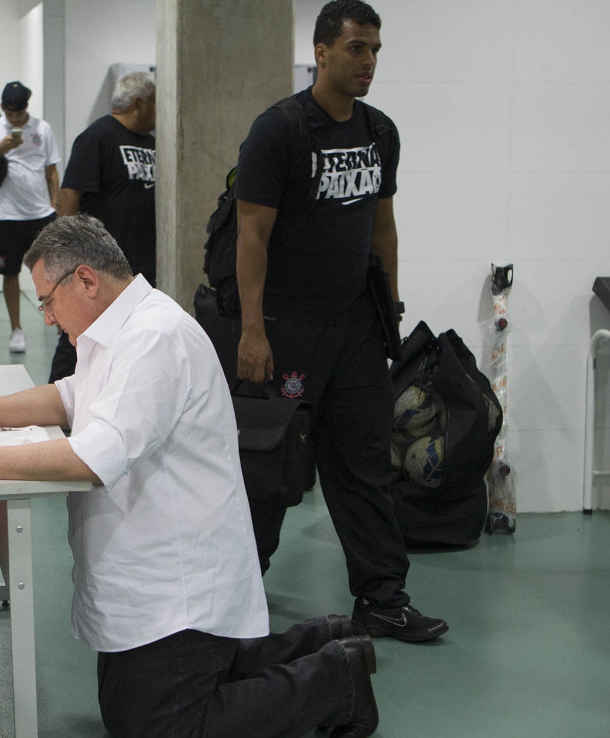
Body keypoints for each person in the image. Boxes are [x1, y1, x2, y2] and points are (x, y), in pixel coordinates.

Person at [0, 215, 381, 738]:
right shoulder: (115, 330)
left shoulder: (155, 337)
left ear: (86, 280)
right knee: (126, 716)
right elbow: (75, 396)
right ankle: (322, 638)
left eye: (48, 301)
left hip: (177, 582)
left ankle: (336, 680)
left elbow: (94, 457)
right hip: (152, 574)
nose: (46, 316)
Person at [233, 0, 446, 642]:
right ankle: (233, 597)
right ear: (322, 52)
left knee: (362, 466)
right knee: (272, 475)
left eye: (376, 49)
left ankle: (382, 598)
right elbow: (251, 234)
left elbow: (384, 228)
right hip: (288, 330)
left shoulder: (381, 132)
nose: (369, 62)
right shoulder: (279, 130)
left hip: (355, 329)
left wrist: (392, 313)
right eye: (357, 48)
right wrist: (252, 330)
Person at [48, 70, 157, 382]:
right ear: (138, 103)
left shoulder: (151, 142)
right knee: (80, 339)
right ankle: (55, 411)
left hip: (140, 268)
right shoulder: (98, 137)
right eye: (155, 103)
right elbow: (69, 195)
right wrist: (65, 263)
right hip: (100, 268)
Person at [0, 80, 61, 353]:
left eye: (19, 113)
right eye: (10, 113)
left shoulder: (43, 129)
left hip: (40, 213)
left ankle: (61, 325)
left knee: (54, 272)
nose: (15, 118)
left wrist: (55, 207)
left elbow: (52, 172)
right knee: (9, 273)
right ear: (2, 108)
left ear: (26, 107)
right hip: (5, 215)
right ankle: (16, 329)